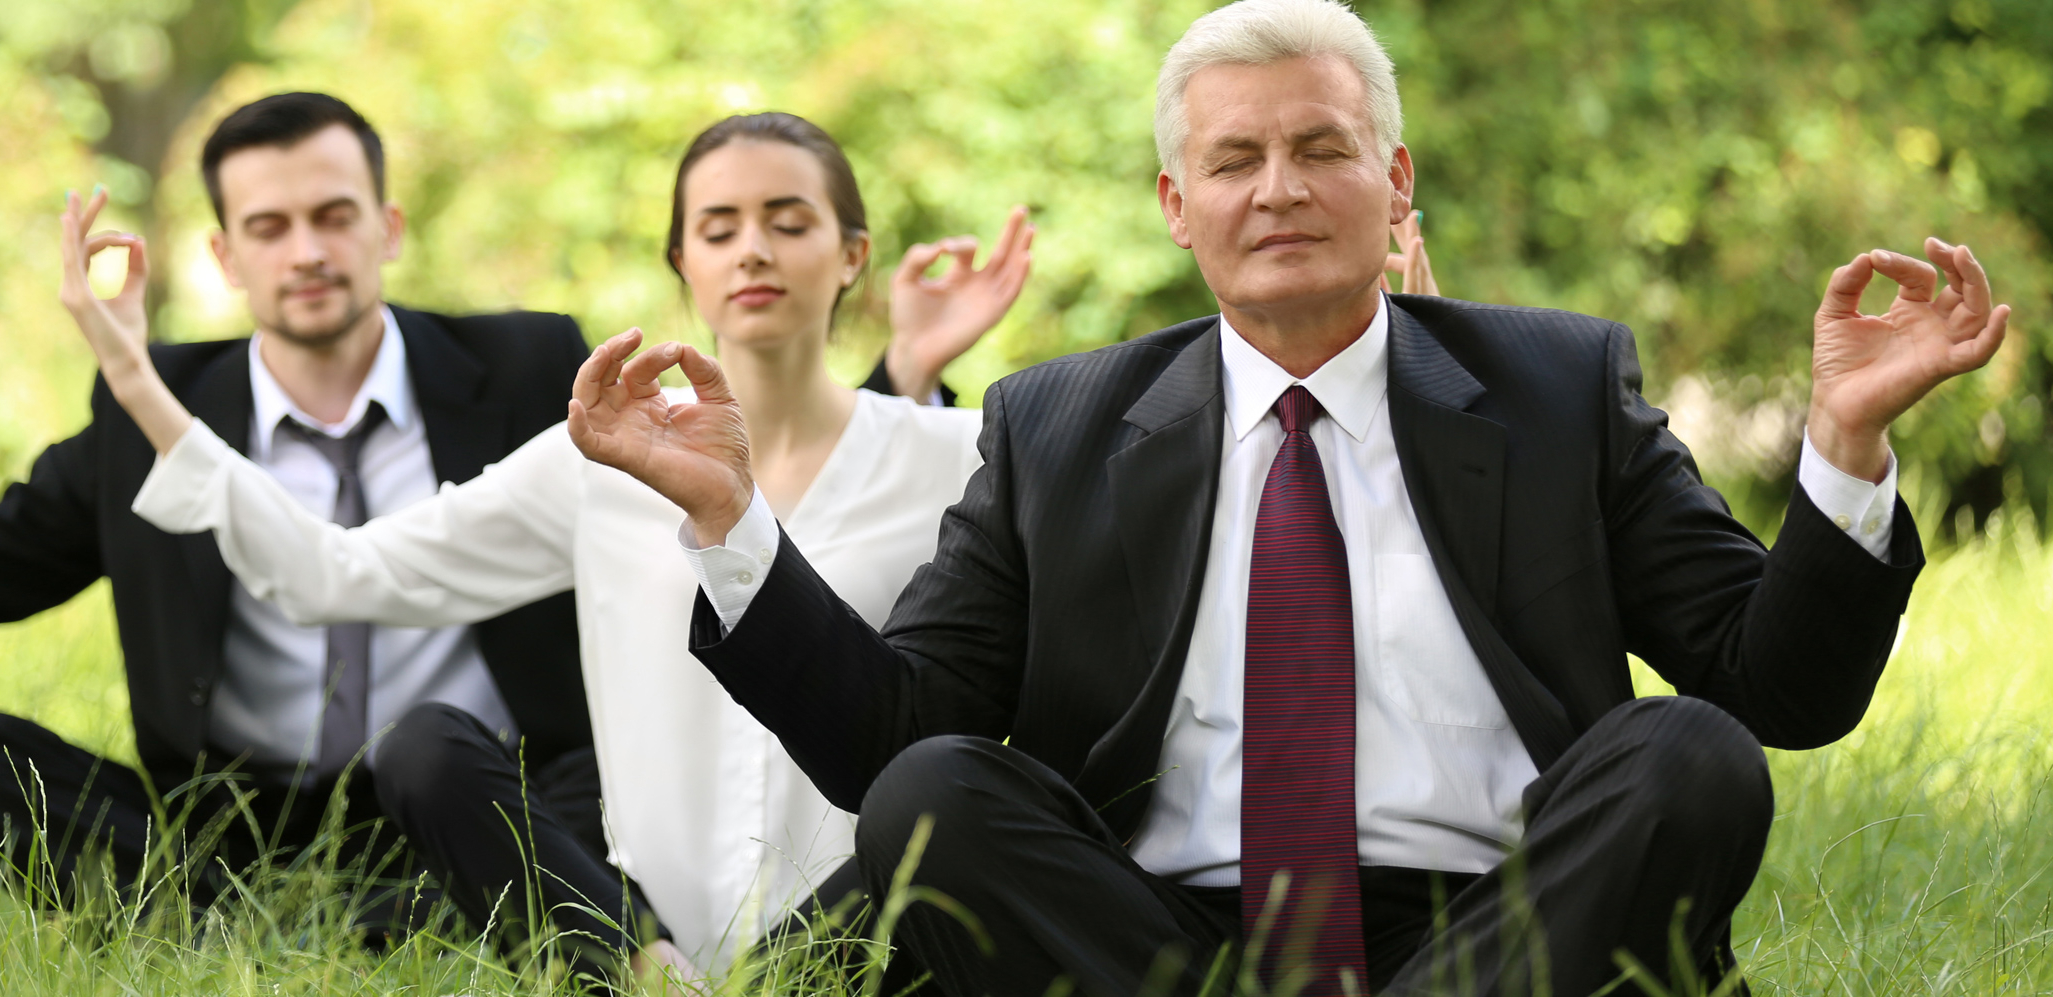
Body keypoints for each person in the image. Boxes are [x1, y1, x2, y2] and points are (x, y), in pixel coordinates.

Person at [563, 1, 2008, 995]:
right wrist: (730, 526)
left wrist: (1839, 446)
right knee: (936, 794)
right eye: (1232, 159)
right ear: (1171, 205)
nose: (1277, 188)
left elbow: (1780, 689)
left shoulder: (1555, 386)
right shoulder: (1055, 423)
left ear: (1391, 183)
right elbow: (894, 737)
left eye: (1318, 148)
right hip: (1150, 937)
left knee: (1685, 753)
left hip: (1504, 920)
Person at [0, 92, 937, 934]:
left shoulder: (534, 369)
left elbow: (741, 466)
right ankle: (270, 926)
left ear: (384, 226)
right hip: (225, 819)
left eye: (331, 214)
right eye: (270, 225)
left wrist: (900, 385)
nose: (306, 248)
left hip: (477, 800)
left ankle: (366, 920)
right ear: (226, 253)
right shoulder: (149, 414)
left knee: (520, 782)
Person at [58, 111, 1034, 978]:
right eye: (718, 228)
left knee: (953, 794)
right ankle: (644, 974)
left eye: (788, 221)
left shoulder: (961, 453)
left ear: (852, 252)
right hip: (644, 933)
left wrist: (909, 369)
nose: (753, 252)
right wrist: (137, 379)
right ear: (681, 264)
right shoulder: (593, 463)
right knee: (427, 748)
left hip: (855, 921)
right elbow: (334, 570)